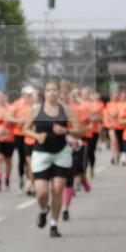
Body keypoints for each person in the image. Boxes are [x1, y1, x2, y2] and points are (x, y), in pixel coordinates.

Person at [24, 80, 80, 238]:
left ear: (59, 93)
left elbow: (80, 130)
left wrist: (66, 130)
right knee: (41, 193)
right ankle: (43, 210)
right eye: (49, 90)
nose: (52, 93)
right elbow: (25, 129)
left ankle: (54, 224)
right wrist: (36, 135)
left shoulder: (66, 110)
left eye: (55, 90)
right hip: (41, 153)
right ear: (45, 93)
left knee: (57, 190)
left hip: (61, 153)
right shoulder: (36, 110)